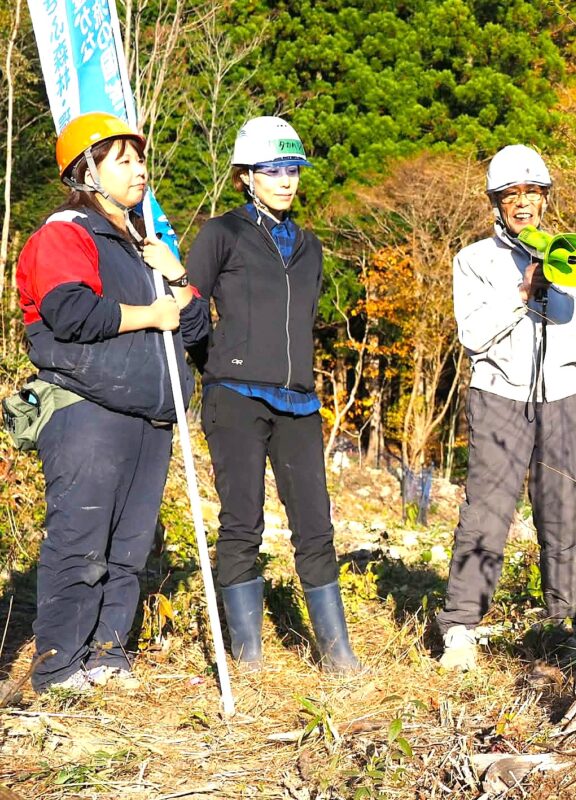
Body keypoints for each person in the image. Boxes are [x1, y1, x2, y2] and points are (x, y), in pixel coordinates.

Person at [15, 111, 209, 692]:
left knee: (127, 549)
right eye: (123, 160)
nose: (140, 170)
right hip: (85, 407)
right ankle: (58, 667)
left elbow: (198, 332)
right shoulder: (66, 233)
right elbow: (70, 312)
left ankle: (107, 655)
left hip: (150, 413)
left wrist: (176, 276)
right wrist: (149, 314)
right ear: (88, 173)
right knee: (81, 541)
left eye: (140, 158)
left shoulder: (143, 245)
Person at [186, 116, 360, 673]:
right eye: (272, 170)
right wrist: (214, 362)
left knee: (316, 524)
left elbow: (305, 320)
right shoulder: (222, 233)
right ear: (246, 176)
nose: (286, 181)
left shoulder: (309, 247)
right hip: (234, 395)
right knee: (242, 521)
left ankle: (338, 657)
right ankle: (249, 661)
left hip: (299, 402)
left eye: (292, 169)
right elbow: (190, 309)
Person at [436, 144, 576, 670]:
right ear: (496, 203)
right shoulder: (474, 260)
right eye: (513, 195)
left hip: (565, 399)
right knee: (486, 513)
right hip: (499, 397)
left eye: (533, 193)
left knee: (563, 513)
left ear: (546, 199)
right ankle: (460, 625)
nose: (524, 203)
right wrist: (522, 291)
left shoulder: (568, 255)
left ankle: (565, 624)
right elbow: (474, 336)